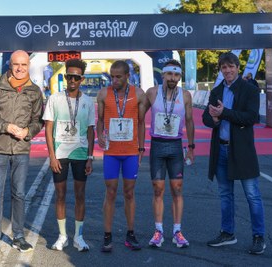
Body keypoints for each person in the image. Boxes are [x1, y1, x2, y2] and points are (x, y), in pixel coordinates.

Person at [0, 50, 44, 255]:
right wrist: (5, 126)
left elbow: (38, 120)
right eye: (16, 64)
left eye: (24, 65)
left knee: (19, 194)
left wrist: (28, 131)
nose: (20, 68)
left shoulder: (35, 91)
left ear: (28, 66)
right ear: (10, 65)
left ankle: (19, 236)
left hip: (21, 149)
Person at [202, 52, 266, 255]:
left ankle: (259, 237)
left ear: (238, 67)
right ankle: (228, 233)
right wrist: (214, 118)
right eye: (224, 67)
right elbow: (205, 117)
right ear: (220, 70)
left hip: (242, 150)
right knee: (225, 195)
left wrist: (224, 113)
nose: (227, 70)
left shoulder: (249, 89)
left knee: (252, 195)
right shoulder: (217, 90)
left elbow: (251, 117)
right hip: (220, 149)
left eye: (231, 66)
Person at [43, 59, 95, 252]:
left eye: (76, 77)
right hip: (60, 154)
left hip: (81, 155)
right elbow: (48, 129)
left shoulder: (88, 101)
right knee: (60, 195)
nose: (72, 80)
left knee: (80, 195)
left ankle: (78, 237)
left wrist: (90, 157)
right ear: (65, 77)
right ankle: (62, 236)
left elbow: (91, 131)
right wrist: (52, 156)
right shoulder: (54, 98)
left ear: (81, 79)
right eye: (68, 76)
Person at [96, 60, 147, 252]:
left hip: (131, 152)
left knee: (129, 192)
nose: (114, 80)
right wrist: (101, 135)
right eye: (112, 76)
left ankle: (130, 233)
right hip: (111, 152)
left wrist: (141, 149)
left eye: (118, 76)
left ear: (127, 76)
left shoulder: (138, 94)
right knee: (110, 192)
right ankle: (107, 236)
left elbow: (141, 123)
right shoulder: (103, 94)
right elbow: (100, 120)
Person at [144, 59, 195, 248]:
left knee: (177, 189)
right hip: (157, 145)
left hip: (175, 146)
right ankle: (158, 231)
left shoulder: (186, 95)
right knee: (158, 189)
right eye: (169, 74)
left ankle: (177, 231)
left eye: (176, 75)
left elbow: (189, 121)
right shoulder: (152, 93)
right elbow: (139, 117)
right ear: (163, 74)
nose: (172, 78)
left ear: (179, 76)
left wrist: (191, 148)